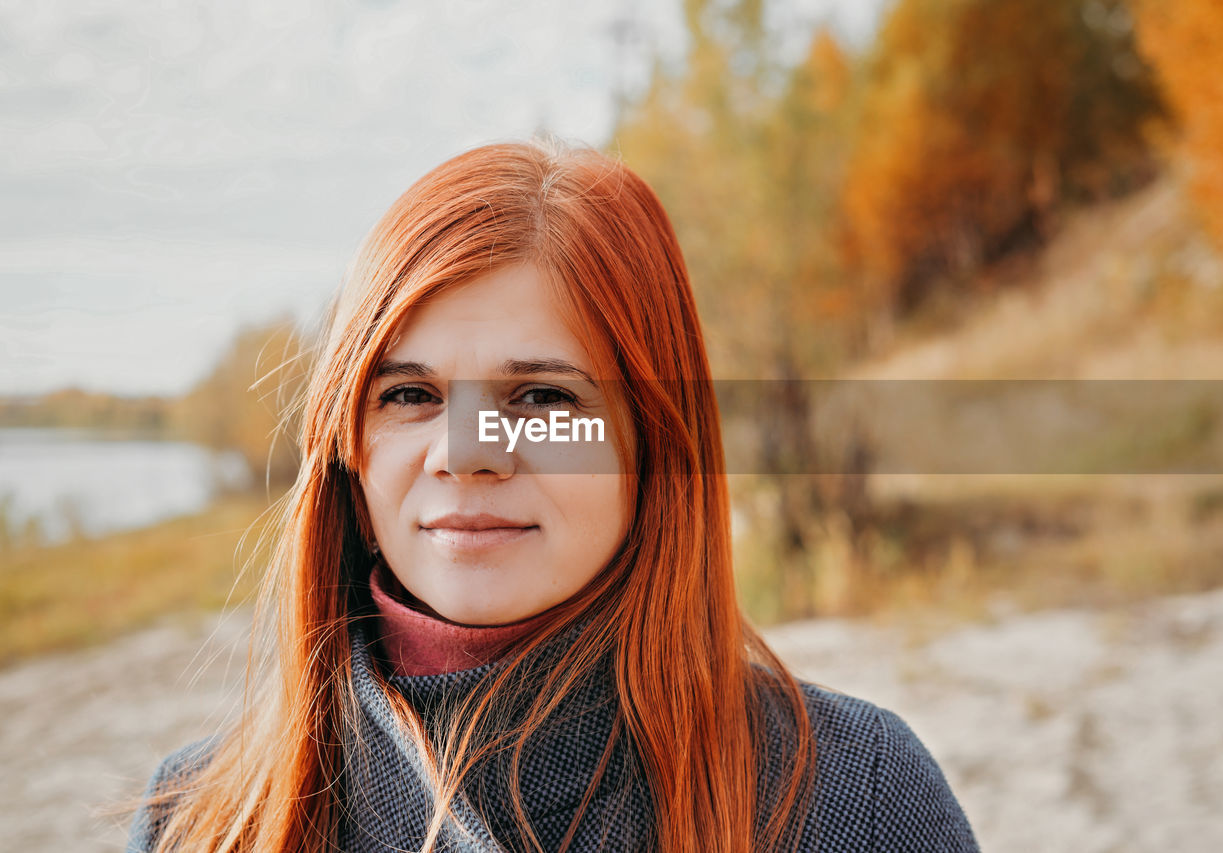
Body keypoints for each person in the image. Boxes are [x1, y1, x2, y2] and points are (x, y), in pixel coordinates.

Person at [126, 139, 980, 852]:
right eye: (409, 395)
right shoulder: (197, 818)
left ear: (651, 438)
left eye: (541, 397)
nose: (465, 455)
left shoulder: (858, 796)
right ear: (347, 445)